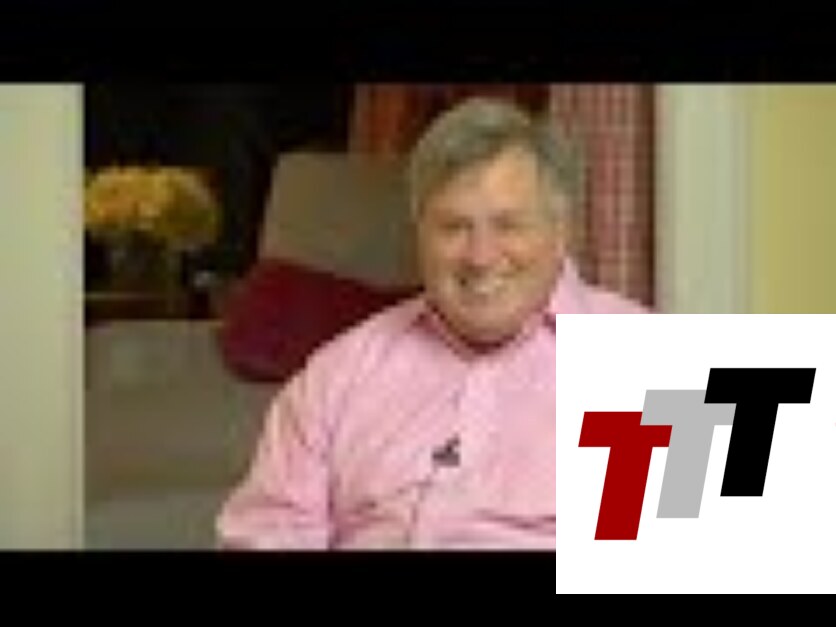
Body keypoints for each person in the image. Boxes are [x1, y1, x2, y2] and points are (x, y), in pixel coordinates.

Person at [215, 96, 648, 550]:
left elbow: (663, 568)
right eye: (453, 227)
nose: (480, 256)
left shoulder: (646, 366)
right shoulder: (340, 374)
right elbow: (263, 535)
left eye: (508, 225)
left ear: (561, 233)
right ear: (418, 234)